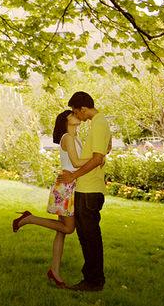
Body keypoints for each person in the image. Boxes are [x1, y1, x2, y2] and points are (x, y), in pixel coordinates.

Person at [12, 109, 91, 288]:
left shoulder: (75, 138)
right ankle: (29, 219)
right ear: (66, 120)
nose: (77, 115)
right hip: (66, 186)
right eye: (73, 114)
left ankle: (54, 272)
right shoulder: (68, 138)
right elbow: (77, 162)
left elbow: (78, 161)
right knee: (68, 228)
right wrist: (98, 158)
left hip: (69, 184)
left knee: (61, 231)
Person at [57, 91, 111, 292]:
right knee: (89, 237)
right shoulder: (101, 122)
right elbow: (106, 148)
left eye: (74, 111)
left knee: (89, 238)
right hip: (90, 188)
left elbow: (97, 158)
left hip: (88, 190)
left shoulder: (98, 123)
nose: (75, 115)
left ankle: (93, 281)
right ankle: (94, 279)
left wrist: (73, 175)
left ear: (83, 109)